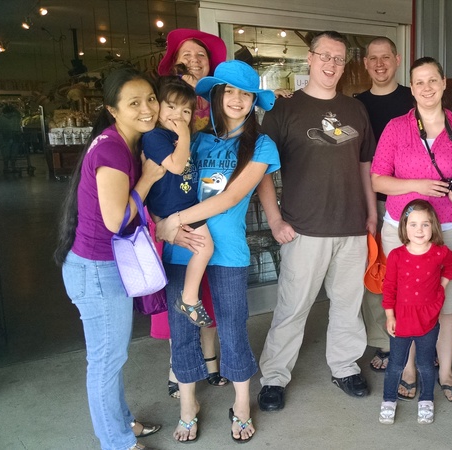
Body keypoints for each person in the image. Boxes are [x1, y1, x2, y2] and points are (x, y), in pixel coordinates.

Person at [156, 60, 278, 443]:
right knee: (183, 329)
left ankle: (242, 403)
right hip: (183, 249)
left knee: (232, 326)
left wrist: (172, 220)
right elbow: (167, 183)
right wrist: (168, 225)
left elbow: (231, 197)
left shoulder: (261, 144)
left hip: (228, 252)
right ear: (217, 95)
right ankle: (187, 405)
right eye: (229, 91)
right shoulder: (197, 139)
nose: (237, 99)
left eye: (245, 93)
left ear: (253, 101)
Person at [255, 30, 377, 411]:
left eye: (339, 59)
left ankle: (344, 367)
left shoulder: (356, 109)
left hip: (352, 227)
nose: (331, 64)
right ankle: (274, 376)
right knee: (293, 307)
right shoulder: (284, 109)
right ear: (309, 58)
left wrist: (371, 212)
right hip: (303, 228)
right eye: (325, 56)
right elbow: (260, 169)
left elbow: (364, 165)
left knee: (347, 303)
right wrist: (274, 220)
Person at [54, 67, 165, 450]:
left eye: (151, 99)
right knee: (105, 361)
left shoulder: (127, 142)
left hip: (104, 267)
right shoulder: (112, 149)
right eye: (134, 103)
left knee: (112, 357)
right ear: (112, 109)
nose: (147, 108)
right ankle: (116, 442)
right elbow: (116, 219)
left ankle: (120, 424)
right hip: (97, 272)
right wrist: (148, 178)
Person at [371, 56, 452, 403]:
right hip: (402, 232)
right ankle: (408, 369)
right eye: (419, 82)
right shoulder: (396, 127)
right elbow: (378, 179)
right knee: (406, 303)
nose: (426, 88)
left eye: (432, 80)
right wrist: (417, 183)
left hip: (448, 228)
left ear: (444, 83)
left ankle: (445, 371)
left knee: (446, 306)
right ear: (412, 87)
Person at [154, 28, 229, 397]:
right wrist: (160, 223)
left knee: (208, 293)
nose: (196, 60)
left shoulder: (217, 103)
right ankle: (179, 367)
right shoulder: (161, 108)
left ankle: (212, 362)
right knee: (180, 294)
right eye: (188, 54)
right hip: (172, 212)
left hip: (211, 209)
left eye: (202, 55)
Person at [354, 36, 415, 374]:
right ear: (365, 63)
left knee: (417, 275)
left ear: (397, 58)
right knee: (379, 275)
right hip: (374, 201)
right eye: (372, 58)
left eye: (385, 57)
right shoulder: (355, 104)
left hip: (415, 204)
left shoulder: (414, 97)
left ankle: (422, 338)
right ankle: (385, 341)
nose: (379, 64)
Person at [142, 75, 214, 327]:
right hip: (173, 208)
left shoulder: (174, 137)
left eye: (185, 110)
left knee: (203, 248)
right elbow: (176, 166)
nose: (178, 115)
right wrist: (184, 135)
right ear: (157, 106)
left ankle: (189, 297)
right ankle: (189, 298)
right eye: (171, 106)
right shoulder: (155, 137)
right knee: (205, 248)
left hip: (183, 206)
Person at [379, 199, 452, 426]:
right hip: (401, 320)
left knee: (425, 363)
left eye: (425, 224)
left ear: (433, 226)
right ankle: (388, 401)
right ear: (404, 227)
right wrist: (389, 316)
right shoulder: (396, 255)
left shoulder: (440, 253)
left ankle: (426, 400)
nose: (419, 230)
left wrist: (442, 285)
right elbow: (389, 287)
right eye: (413, 224)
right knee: (395, 363)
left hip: (429, 319)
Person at [0, 104, 23, 174]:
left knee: (6, 153)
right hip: (12, 137)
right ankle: (12, 167)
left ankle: (6, 167)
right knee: (13, 153)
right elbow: (19, 115)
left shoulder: (0, 119)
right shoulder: (16, 117)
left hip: (5, 138)